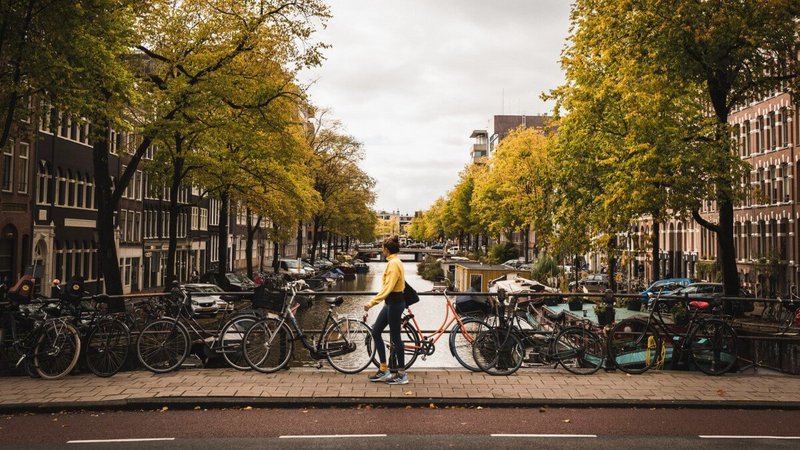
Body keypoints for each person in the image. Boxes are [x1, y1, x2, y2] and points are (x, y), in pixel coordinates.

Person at [363, 235, 408, 385]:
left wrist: (371, 303)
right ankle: (384, 369)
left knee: (396, 338)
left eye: (382, 248)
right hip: (390, 303)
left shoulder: (394, 264)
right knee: (375, 332)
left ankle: (401, 374)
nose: (381, 251)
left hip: (395, 303)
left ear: (386, 250)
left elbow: (388, 288)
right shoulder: (393, 262)